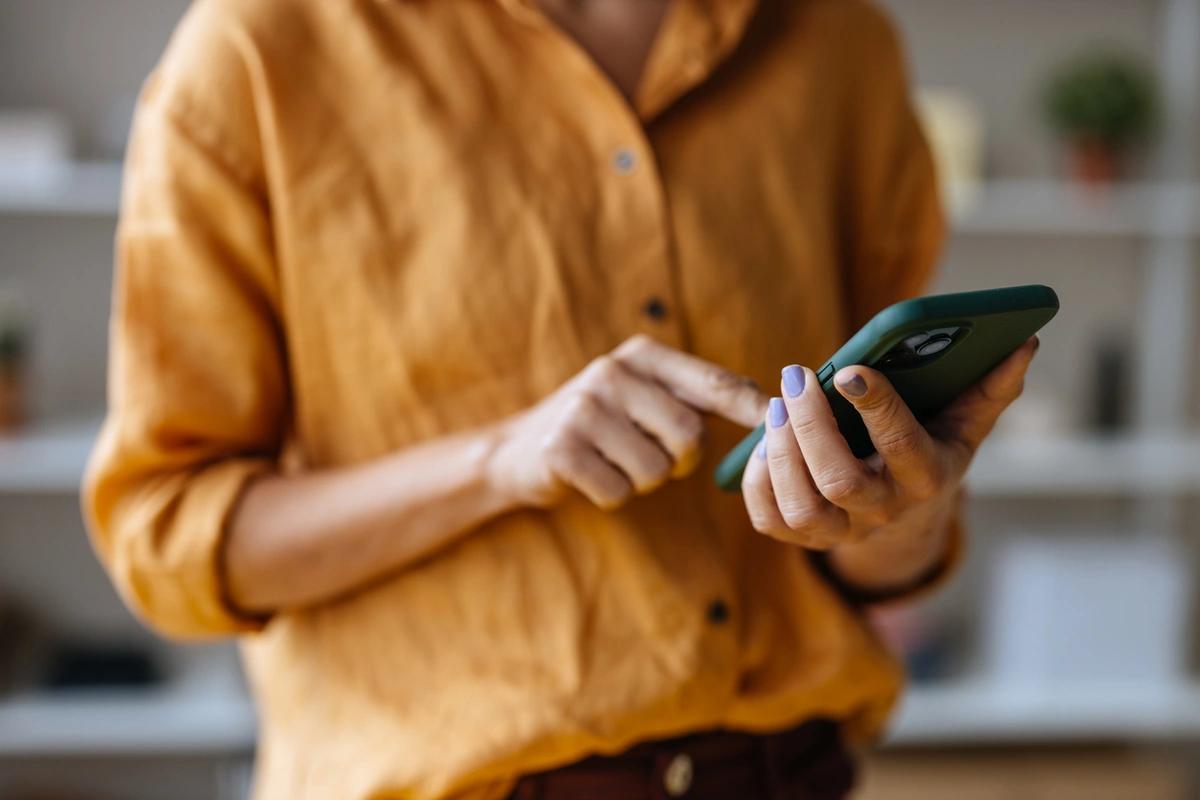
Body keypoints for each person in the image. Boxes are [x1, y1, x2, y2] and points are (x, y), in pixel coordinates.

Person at [83, 0, 1037, 798]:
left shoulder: (840, 43)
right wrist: (497, 462)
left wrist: (900, 507)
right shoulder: (261, 49)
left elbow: (886, 559)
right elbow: (167, 535)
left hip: (790, 770)